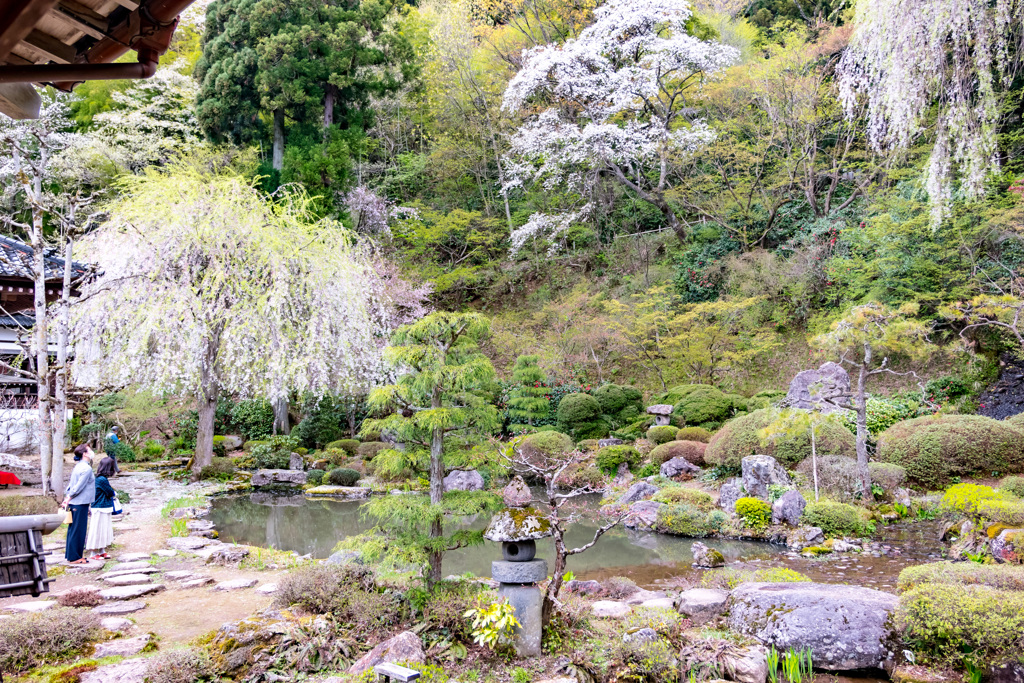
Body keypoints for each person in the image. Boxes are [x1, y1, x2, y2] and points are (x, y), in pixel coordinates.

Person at [61, 444, 95, 564]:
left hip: (75, 502)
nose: (92, 451)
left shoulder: (78, 466)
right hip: (80, 502)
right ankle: (75, 557)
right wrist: (69, 497)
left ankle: (71, 555)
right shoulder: (86, 468)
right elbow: (78, 486)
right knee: (78, 530)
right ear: (85, 453)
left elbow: (71, 484)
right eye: (89, 450)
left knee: (73, 529)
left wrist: (67, 497)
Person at [85, 455, 116, 560]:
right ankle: (93, 553)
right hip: (99, 507)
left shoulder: (100, 478)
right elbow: (110, 492)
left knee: (104, 529)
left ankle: (102, 550)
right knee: (97, 529)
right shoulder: (101, 479)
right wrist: (114, 493)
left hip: (102, 507)